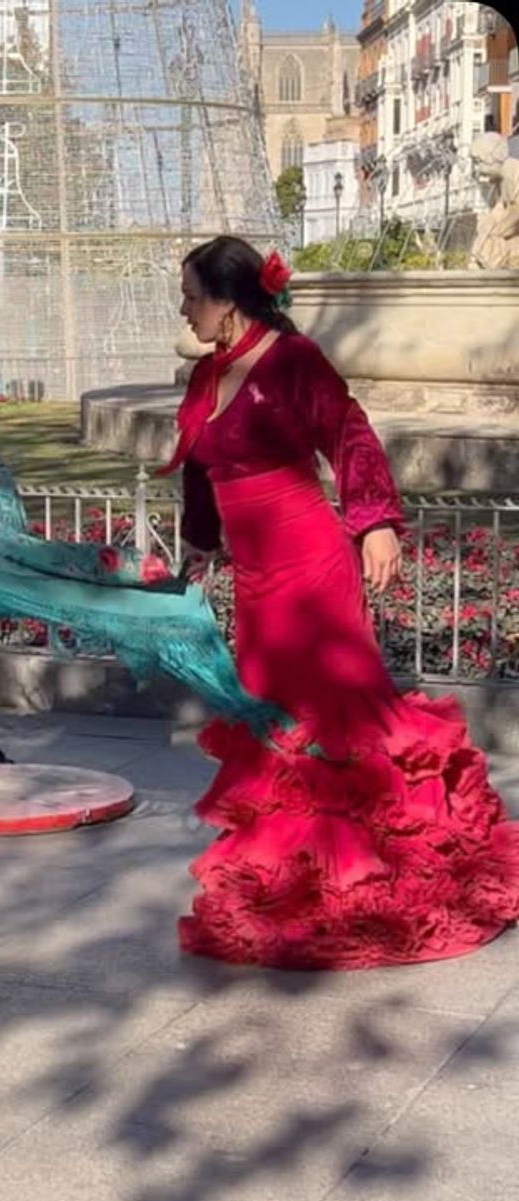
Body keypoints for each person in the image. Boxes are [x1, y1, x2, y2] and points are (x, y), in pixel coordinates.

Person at [162, 234, 518, 970]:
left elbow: (349, 434)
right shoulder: (208, 377)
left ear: (229, 301)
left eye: (194, 294)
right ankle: (297, 878)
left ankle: (365, 874)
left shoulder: (293, 363)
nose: (186, 307)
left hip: (313, 567)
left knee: (340, 722)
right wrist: (199, 545)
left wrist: (376, 521)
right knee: (276, 724)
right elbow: (200, 474)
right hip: (257, 581)